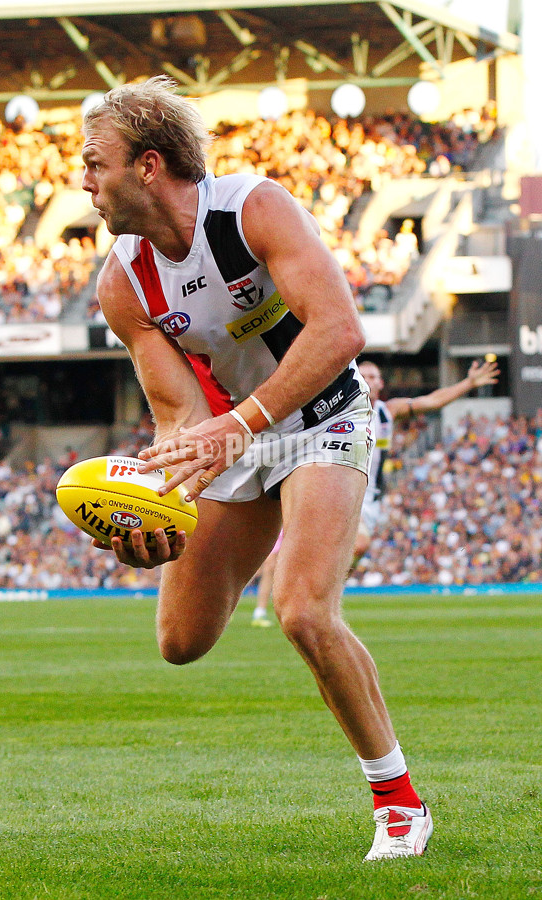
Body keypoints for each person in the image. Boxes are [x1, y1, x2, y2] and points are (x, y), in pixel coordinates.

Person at [81, 75, 432, 860]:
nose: (82, 181)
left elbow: (340, 330)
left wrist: (239, 426)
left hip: (323, 415)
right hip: (234, 438)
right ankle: (230, 546)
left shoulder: (253, 208)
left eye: (93, 162)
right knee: (180, 640)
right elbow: (180, 413)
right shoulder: (120, 281)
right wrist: (165, 505)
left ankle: (398, 804)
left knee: (304, 609)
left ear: (147, 164)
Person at [354, 358, 500, 561]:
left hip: (371, 497)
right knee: (358, 545)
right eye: (363, 376)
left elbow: (433, 401)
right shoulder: (345, 412)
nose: (368, 380)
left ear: (381, 383)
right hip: (348, 491)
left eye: (373, 376)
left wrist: (468, 383)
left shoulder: (388, 411)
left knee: (354, 553)